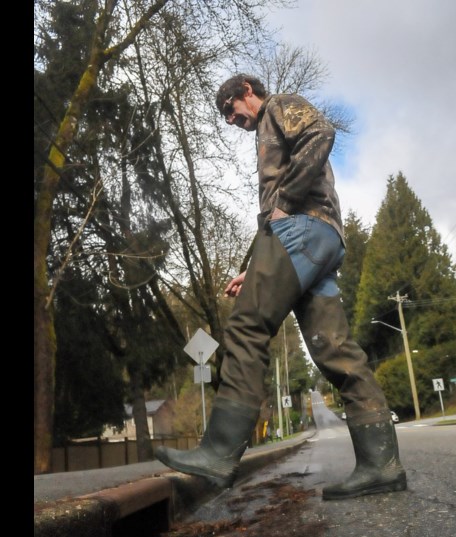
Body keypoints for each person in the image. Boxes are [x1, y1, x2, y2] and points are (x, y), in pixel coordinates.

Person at [155, 74, 406, 500]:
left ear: (246, 92)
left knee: (247, 326)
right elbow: (273, 216)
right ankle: (382, 465)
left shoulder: (278, 105)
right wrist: (252, 268)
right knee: (335, 351)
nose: (232, 121)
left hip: (302, 230)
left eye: (231, 111)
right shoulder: (269, 126)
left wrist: (286, 201)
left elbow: (321, 133)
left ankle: (218, 453)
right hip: (321, 241)